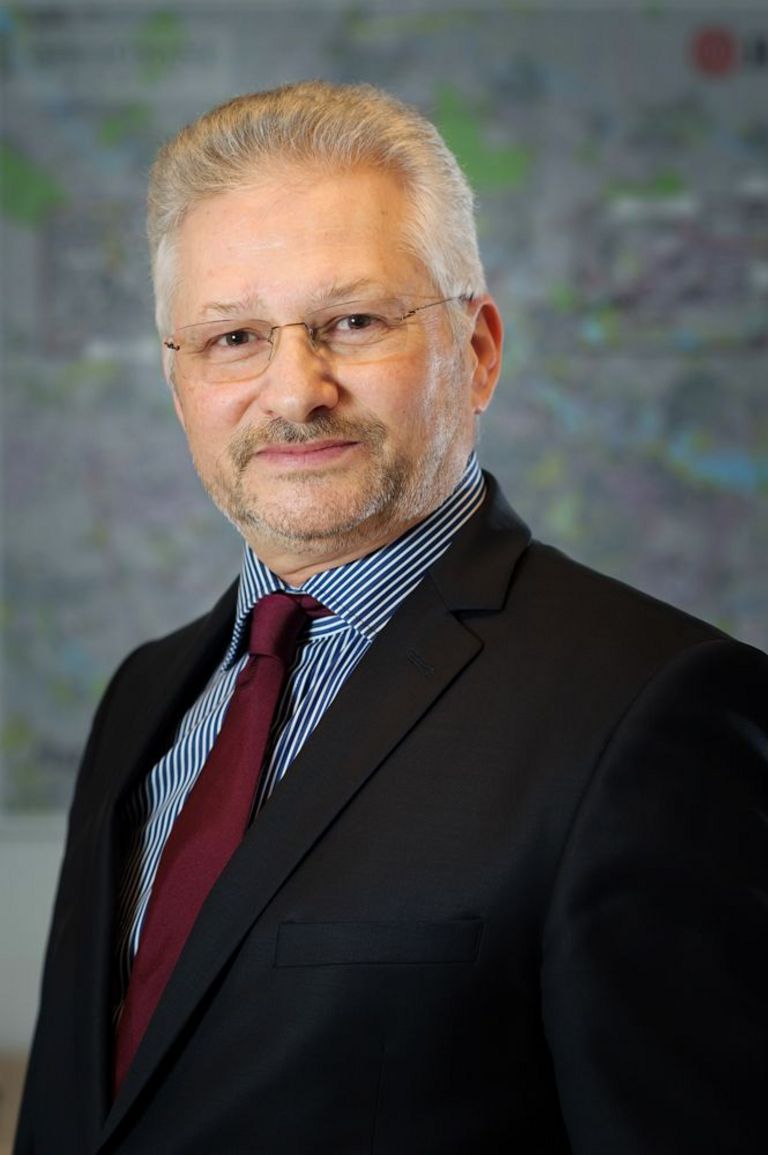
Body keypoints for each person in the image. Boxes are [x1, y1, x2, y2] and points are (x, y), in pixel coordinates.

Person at [14, 81, 768, 1155]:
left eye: (354, 322)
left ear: (479, 349)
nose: (295, 392)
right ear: (179, 382)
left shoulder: (653, 711)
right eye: (233, 337)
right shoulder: (145, 695)